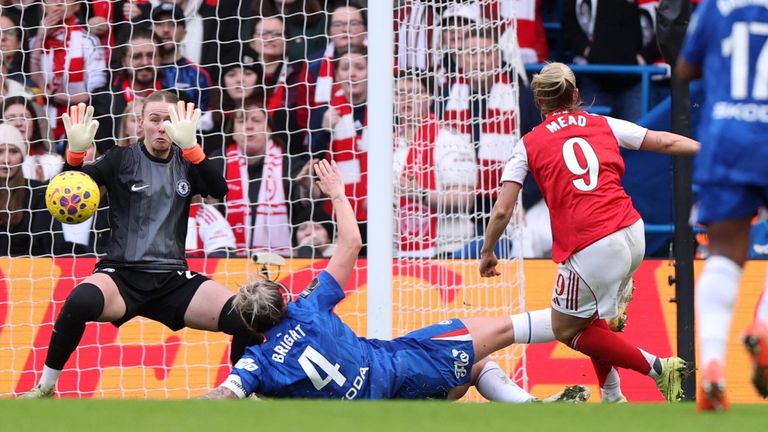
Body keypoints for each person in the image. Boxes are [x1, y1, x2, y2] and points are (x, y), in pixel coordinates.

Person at [199, 159, 589, 403]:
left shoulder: (256, 362)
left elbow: (224, 394)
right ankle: (581, 321)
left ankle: (534, 407)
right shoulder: (308, 306)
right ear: (284, 298)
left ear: (249, 325)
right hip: (395, 369)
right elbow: (351, 242)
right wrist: (336, 191)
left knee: (471, 369)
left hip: (379, 405)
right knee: (498, 332)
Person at [479, 62, 700, 402]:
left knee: (565, 328)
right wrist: (708, 151)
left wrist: (487, 252)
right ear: (577, 95)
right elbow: (664, 142)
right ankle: (613, 397)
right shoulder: (602, 123)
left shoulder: (528, 143)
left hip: (592, 245)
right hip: (632, 230)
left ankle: (659, 368)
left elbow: (502, 210)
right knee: (589, 320)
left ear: (539, 99)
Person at [21, 92, 261, 398]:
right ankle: (46, 386)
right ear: (141, 124)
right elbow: (70, 190)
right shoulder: (120, 158)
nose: (161, 127)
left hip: (173, 279)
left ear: (181, 125)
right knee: (80, 301)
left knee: (246, 316)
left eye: (169, 120)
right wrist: (76, 156)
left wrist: (191, 147)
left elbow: (219, 188)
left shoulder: (186, 163)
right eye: (154, 119)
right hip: (121, 276)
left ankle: (239, 392)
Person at [676, 0, 768, 412]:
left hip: (727, 137)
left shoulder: (717, 5)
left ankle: (712, 363)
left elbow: (684, 69)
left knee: (724, 256)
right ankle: (763, 325)